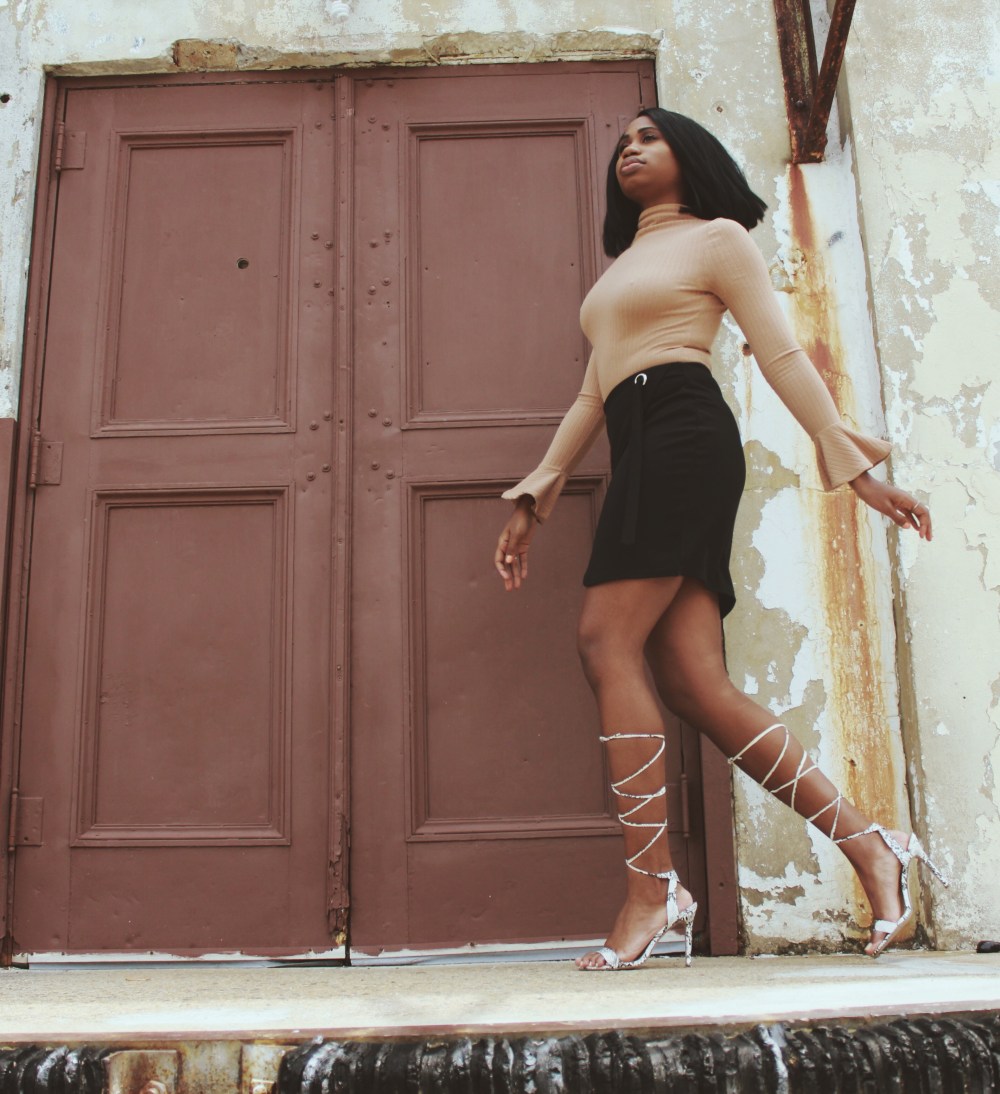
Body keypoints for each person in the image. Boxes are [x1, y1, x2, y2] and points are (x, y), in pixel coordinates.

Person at [493, 108, 944, 972]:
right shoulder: (623, 270)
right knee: (693, 682)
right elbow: (593, 394)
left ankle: (651, 888)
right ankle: (871, 845)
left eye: (649, 138)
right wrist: (536, 494)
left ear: (687, 155)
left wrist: (854, 468)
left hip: (684, 435)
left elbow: (781, 356)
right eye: (622, 143)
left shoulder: (718, 239)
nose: (630, 150)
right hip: (640, 441)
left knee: (604, 640)